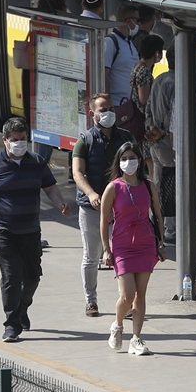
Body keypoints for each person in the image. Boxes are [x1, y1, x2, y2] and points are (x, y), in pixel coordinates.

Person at [0, 117, 71, 342]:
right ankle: (12, 325)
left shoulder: (37, 162)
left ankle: (23, 307)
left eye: (23, 139)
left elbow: (50, 187)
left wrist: (60, 202)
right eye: (15, 140)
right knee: (11, 277)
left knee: (32, 277)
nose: (19, 143)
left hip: (31, 230)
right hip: (3, 231)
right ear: (4, 140)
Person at [99, 142, 165, 356]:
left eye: (132, 157)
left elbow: (157, 213)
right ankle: (117, 325)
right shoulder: (113, 187)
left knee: (141, 294)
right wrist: (106, 249)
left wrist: (161, 242)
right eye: (124, 158)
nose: (129, 162)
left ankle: (136, 339)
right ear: (119, 162)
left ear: (139, 159)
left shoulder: (148, 185)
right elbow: (104, 220)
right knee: (127, 295)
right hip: (122, 245)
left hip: (145, 243)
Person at [72, 93, 134, 317]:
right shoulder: (85, 140)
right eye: (102, 109)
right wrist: (91, 194)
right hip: (92, 209)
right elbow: (77, 172)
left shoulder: (125, 138)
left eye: (110, 109)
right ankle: (91, 301)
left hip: (120, 208)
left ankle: (126, 302)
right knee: (92, 255)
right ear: (92, 114)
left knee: (122, 255)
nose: (108, 113)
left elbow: (135, 168)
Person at [145, 47, 176, 244]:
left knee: (158, 185)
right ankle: (170, 229)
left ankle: (158, 225)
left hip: (155, 142)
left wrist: (151, 128)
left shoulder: (159, 79)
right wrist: (162, 130)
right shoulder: (176, 82)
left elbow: (147, 107)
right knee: (170, 186)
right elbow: (173, 112)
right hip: (166, 143)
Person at [129, 35, 161, 168]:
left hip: (140, 119)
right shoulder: (143, 71)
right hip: (143, 121)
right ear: (156, 53)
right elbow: (144, 99)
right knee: (150, 162)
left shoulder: (138, 67)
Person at [104, 4, 141, 101]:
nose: (139, 25)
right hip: (117, 105)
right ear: (128, 21)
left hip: (130, 106)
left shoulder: (130, 43)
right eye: (137, 20)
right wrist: (108, 104)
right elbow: (104, 75)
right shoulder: (110, 42)